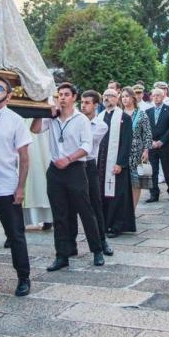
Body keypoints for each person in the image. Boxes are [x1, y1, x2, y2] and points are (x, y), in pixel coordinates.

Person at [31, 83, 105, 270]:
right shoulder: (52, 117)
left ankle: (97, 250)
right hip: (55, 170)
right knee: (59, 214)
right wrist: (42, 112)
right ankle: (62, 255)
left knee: (85, 211)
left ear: (74, 98)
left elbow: (87, 146)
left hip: (75, 169)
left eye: (66, 94)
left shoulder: (81, 120)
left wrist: (69, 159)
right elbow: (35, 129)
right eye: (60, 95)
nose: (62, 98)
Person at [0, 76, 33, 297]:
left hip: (6, 186)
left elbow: (24, 158)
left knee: (15, 234)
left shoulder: (15, 120)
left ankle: (23, 277)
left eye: (0, 88)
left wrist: (20, 188)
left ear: (9, 96)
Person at [98, 87, 135, 236]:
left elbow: (127, 142)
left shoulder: (124, 117)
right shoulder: (99, 116)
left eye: (111, 96)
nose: (107, 98)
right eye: (105, 96)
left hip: (116, 164)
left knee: (117, 196)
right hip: (101, 164)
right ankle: (103, 224)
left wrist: (120, 163)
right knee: (102, 194)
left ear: (117, 98)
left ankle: (116, 226)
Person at [78, 90, 112, 254]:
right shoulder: (75, 120)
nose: (83, 106)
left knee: (95, 204)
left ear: (95, 105)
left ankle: (102, 241)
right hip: (74, 165)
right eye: (82, 102)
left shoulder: (101, 125)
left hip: (89, 164)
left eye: (87, 103)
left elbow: (85, 144)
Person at [121, 87, 153, 212]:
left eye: (127, 96)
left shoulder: (141, 114)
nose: (124, 99)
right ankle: (123, 209)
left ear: (133, 98)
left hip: (136, 152)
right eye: (122, 96)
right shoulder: (119, 114)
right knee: (123, 182)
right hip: (121, 152)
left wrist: (146, 150)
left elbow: (147, 134)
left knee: (136, 182)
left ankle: (132, 210)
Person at [146, 87, 169, 202]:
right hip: (152, 145)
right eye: (154, 96)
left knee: (168, 170)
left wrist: (162, 141)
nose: (155, 98)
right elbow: (146, 129)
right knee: (153, 171)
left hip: (166, 145)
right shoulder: (148, 111)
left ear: (163, 96)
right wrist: (151, 142)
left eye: (158, 95)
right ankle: (154, 194)